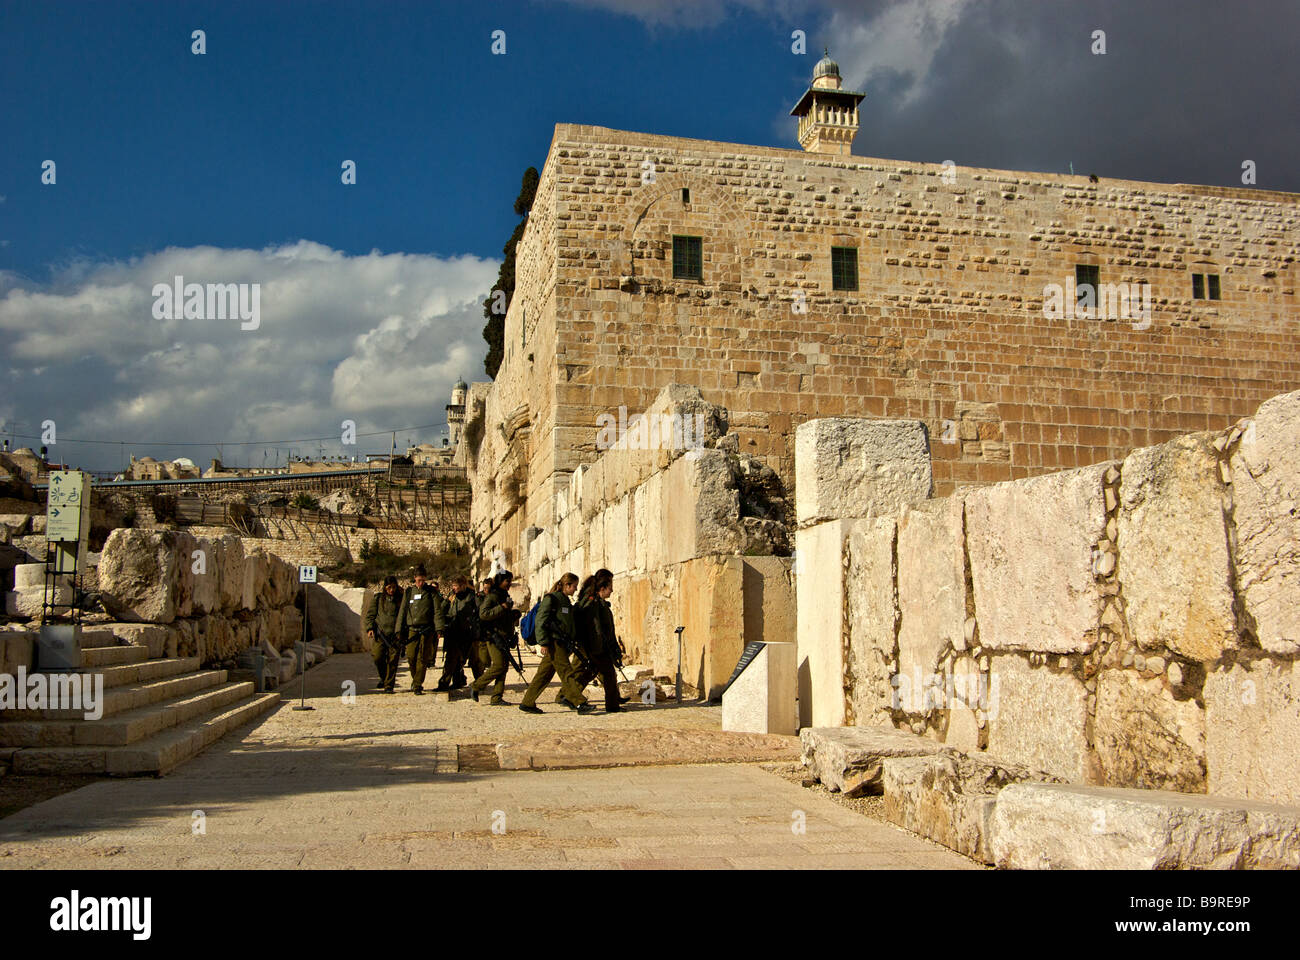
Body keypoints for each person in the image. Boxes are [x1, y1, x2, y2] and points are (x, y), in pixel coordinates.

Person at [519, 573, 591, 714]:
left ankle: (527, 702)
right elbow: (541, 620)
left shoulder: (565, 601)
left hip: (562, 643)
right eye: (574, 586)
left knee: (543, 675)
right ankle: (579, 702)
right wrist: (543, 643)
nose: (576, 590)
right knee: (566, 672)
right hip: (554, 643)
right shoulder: (551, 599)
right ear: (567, 585)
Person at [573, 569, 627, 713]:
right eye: (610, 587)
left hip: (596, 646)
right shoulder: (593, 603)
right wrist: (600, 648)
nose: (612, 591)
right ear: (602, 588)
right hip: (596, 646)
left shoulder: (598, 602)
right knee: (608, 674)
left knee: (591, 671)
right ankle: (612, 706)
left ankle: (569, 695)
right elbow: (596, 628)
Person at [396, 565, 446, 695]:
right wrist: (398, 629)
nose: (421, 582)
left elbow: (437, 611)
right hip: (412, 629)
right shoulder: (409, 592)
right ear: (415, 579)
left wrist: (439, 628)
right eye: (419, 580)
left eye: (423, 580)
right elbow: (403, 611)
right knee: (411, 656)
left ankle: (418, 685)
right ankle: (415, 679)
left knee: (423, 658)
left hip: (426, 629)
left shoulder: (431, 592)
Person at [472, 570, 520, 705]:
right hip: (493, 636)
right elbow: (484, 614)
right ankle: (476, 685)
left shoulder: (504, 595)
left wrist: (513, 614)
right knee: (498, 665)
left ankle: (497, 697)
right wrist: (502, 607)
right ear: (500, 581)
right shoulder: (492, 596)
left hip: (504, 635)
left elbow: (503, 617)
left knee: (503, 667)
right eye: (507, 581)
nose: (509, 584)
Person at [435, 575, 481, 691]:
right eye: (453, 586)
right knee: (451, 659)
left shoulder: (471, 597)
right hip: (453, 632)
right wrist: (447, 601)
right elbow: (441, 610)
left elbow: (479, 613)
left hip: (467, 633)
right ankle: (446, 684)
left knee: (472, 661)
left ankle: (480, 682)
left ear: (462, 586)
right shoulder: (452, 597)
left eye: (456, 586)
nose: (454, 588)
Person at [364, 575, 403, 693]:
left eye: (394, 587)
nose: (391, 590)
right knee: (377, 657)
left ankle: (389, 685)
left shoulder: (400, 600)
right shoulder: (378, 599)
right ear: (385, 588)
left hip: (395, 636)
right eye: (389, 587)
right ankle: (384, 677)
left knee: (392, 661)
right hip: (380, 634)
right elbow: (370, 615)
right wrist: (370, 628)